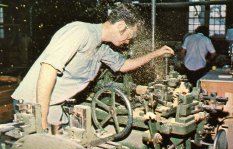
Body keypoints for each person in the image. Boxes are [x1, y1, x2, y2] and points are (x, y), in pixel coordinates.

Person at [11, 4, 174, 130]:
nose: (129, 41)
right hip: (34, 104)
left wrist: (156, 53)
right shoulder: (80, 32)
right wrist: (42, 119)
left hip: (55, 104)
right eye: (129, 35)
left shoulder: (101, 48)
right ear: (120, 25)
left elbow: (124, 65)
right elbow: (48, 69)